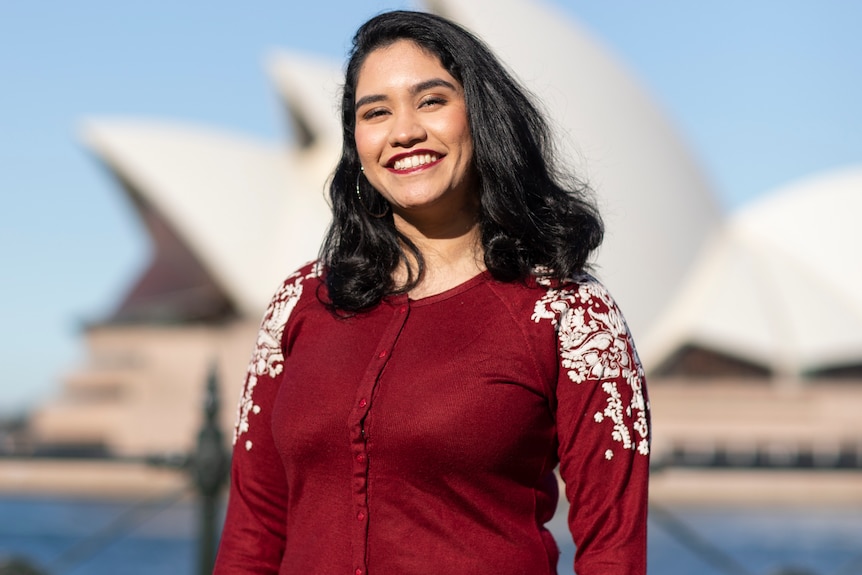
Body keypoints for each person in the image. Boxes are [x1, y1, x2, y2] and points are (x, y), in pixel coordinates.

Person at [214, 10, 649, 575]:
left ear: (481, 115)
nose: (404, 132)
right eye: (376, 112)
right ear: (356, 142)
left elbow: (613, 550)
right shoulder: (300, 303)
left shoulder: (570, 314)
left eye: (431, 101)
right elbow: (254, 532)